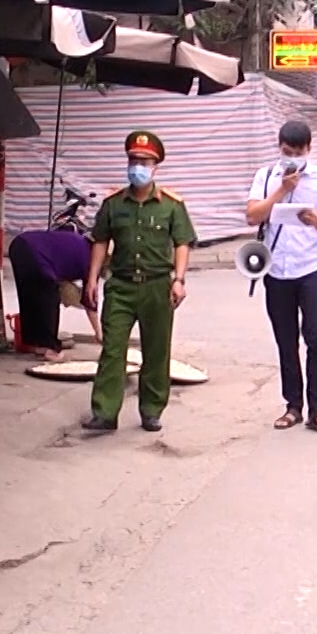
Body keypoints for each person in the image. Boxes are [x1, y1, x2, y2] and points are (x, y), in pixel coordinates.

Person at [81, 131, 194, 434]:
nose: (137, 166)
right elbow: (100, 242)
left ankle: (151, 410)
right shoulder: (113, 204)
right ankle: (105, 412)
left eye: (144, 161)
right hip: (121, 286)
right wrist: (91, 280)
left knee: (156, 351)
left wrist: (179, 280)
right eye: (133, 160)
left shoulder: (171, 205)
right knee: (112, 350)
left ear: (156, 166)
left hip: (158, 286)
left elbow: (183, 242)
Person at [246, 120, 317, 434]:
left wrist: (314, 219)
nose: (292, 158)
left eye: (298, 153)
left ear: (308, 150)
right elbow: (252, 215)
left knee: (315, 339)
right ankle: (292, 406)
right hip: (277, 271)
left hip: (311, 269)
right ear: (279, 148)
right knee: (286, 341)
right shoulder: (265, 177)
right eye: (287, 152)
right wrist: (281, 191)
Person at [7, 228, 101, 361]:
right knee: (48, 298)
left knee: (30, 295)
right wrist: (99, 333)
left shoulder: (79, 243)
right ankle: (50, 348)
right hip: (36, 252)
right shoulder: (91, 260)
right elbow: (90, 300)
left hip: (19, 244)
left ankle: (35, 344)